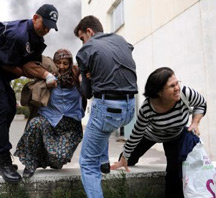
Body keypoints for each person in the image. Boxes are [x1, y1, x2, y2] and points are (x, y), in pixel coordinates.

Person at [0, 4, 59, 183]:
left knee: (10, 108)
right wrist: (32, 73)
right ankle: (3, 161)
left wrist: (46, 74)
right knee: (1, 109)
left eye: (49, 27)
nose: (46, 29)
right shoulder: (18, 35)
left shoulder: (37, 40)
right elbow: (9, 65)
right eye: (44, 24)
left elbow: (31, 64)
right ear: (35, 18)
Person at [111, 67, 207, 198]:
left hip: (175, 136)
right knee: (128, 160)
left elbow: (201, 104)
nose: (177, 88)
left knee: (174, 172)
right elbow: (137, 133)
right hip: (152, 134)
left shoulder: (185, 93)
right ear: (159, 92)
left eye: (177, 83)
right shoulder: (147, 108)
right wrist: (125, 156)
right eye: (171, 86)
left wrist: (195, 122)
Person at [74, 15, 138, 198]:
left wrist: (84, 77)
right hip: (129, 107)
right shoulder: (120, 40)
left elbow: (87, 93)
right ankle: (104, 163)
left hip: (108, 108)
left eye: (81, 38)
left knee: (87, 163)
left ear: (89, 31)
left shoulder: (86, 49)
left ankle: (98, 166)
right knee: (103, 128)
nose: (82, 43)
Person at [14, 49, 86, 178]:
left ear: (70, 64)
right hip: (49, 119)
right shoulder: (48, 75)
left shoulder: (77, 75)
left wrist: (84, 79)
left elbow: (92, 74)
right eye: (58, 62)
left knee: (59, 157)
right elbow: (27, 66)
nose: (61, 67)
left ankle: (52, 160)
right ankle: (30, 163)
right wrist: (47, 76)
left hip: (70, 125)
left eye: (65, 63)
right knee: (35, 124)